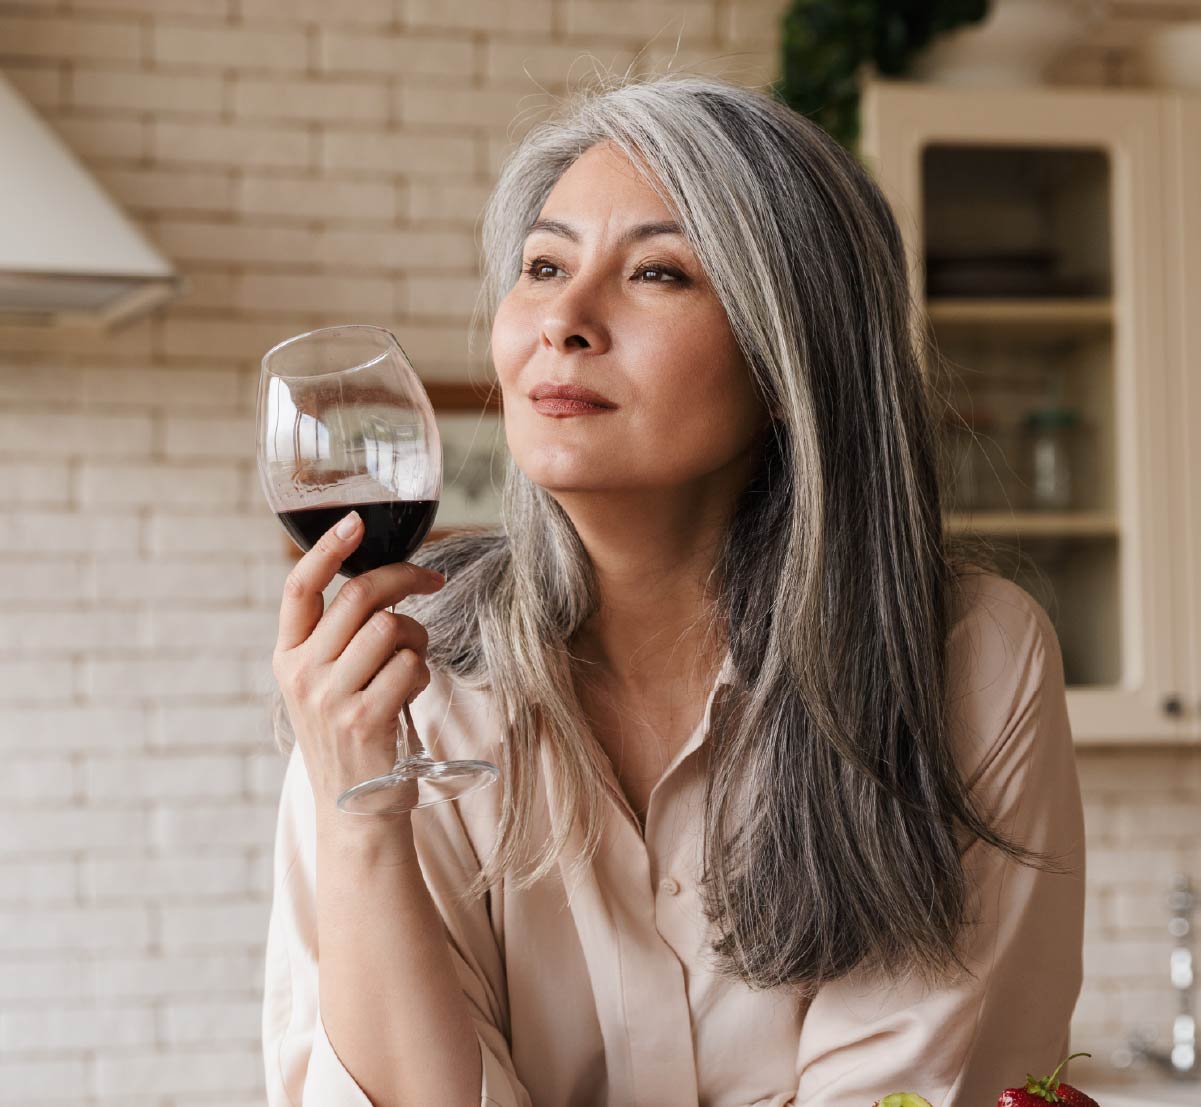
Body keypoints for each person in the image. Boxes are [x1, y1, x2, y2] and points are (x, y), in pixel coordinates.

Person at [262, 73, 1086, 1107]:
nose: (562, 317)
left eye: (656, 273)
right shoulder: (397, 688)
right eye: (543, 264)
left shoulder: (967, 658)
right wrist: (360, 814)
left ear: (794, 360)